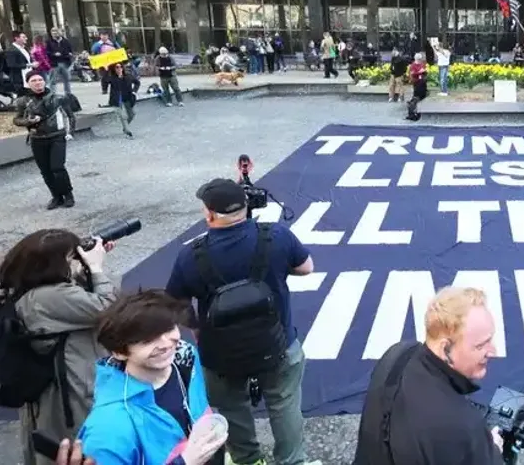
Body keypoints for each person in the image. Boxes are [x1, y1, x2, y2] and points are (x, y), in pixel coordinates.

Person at [166, 179, 318, 465]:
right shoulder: (277, 237)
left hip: (220, 353)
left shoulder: (191, 255)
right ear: (246, 208)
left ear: (209, 215)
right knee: (284, 404)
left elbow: (175, 303)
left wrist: (197, 328)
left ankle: (248, 459)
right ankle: (292, 460)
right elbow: (306, 267)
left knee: (231, 408)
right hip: (278, 342)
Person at [0, 230, 118, 465]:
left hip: (56, 388)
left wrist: (87, 270)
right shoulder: (48, 297)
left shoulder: (30, 289)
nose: (78, 259)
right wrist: (97, 269)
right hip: (71, 394)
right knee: (79, 448)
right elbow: (111, 310)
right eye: (72, 256)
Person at [353, 287, 504, 465]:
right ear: (445, 348)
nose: (492, 352)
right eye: (481, 345)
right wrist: (492, 450)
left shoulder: (396, 354)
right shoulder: (465, 426)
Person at [78, 290, 228, 465]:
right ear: (119, 352)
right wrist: (184, 462)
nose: (166, 344)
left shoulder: (185, 357)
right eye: (148, 340)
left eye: (169, 328)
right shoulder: (108, 427)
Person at [13, 70, 77, 209]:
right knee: (46, 171)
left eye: (40, 80)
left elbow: (71, 116)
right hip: (37, 138)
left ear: (45, 81)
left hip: (57, 137)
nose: (37, 83)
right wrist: (28, 121)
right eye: (33, 81)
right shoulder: (23, 101)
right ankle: (56, 196)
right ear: (28, 84)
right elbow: (17, 119)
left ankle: (68, 194)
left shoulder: (58, 97)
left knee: (57, 167)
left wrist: (70, 132)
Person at [106, 62, 138, 138]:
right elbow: (105, 82)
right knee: (123, 116)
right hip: (117, 99)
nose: (119, 69)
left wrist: (134, 91)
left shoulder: (128, 76)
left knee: (132, 114)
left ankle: (125, 127)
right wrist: (106, 71)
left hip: (127, 98)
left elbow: (137, 82)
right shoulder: (112, 77)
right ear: (114, 69)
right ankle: (127, 131)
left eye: (120, 67)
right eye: (117, 67)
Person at [46, 29, 74, 95]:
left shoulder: (66, 41)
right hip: (54, 63)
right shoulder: (49, 42)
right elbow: (47, 52)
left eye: (56, 32)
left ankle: (68, 94)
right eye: (53, 32)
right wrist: (54, 54)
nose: (55, 34)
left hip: (65, 62)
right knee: (53, 80)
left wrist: (70, 54)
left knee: (67, 80)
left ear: (60, 33)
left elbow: (70, 50)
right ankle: (53, 94)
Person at [406, 52, 428, 122]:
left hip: (422, 82)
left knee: (421, 96)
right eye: (419, 59)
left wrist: (424, 72)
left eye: (420, 59)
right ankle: (412, 112)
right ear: (416, 59)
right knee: (416, 97)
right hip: (417, 82)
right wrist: (419, 72)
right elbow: (412, 74)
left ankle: (417, 111)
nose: (420, 60)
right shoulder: (413, 65)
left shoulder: (421, 64)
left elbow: (424, 71)